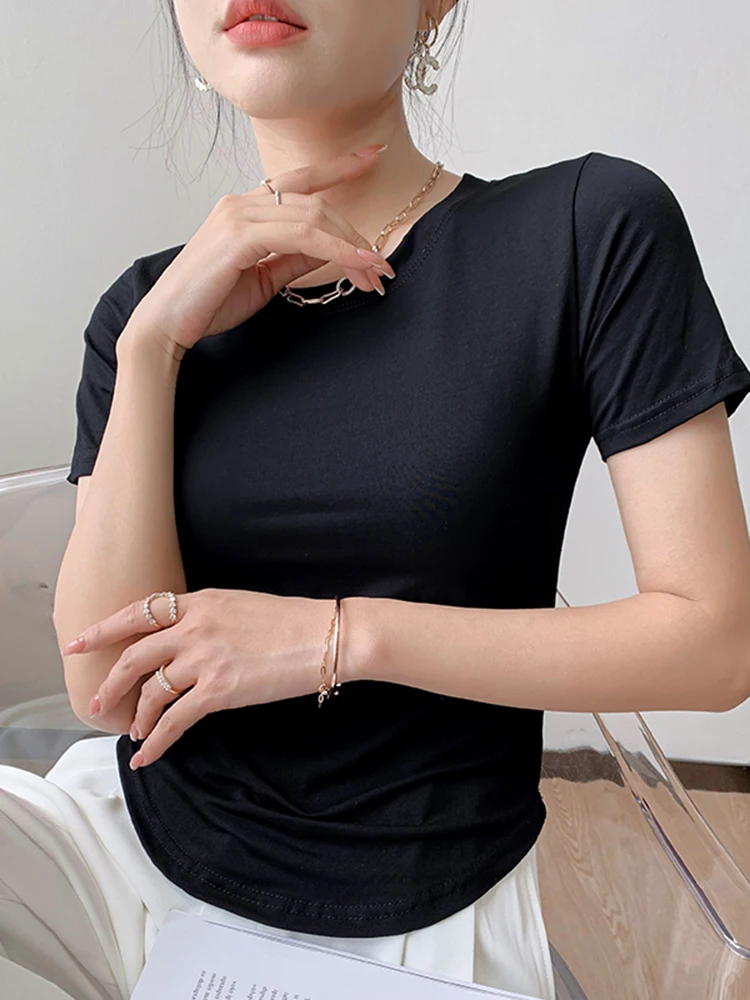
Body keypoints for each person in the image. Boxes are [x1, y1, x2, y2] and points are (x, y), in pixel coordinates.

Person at [3, 1, 750, 999]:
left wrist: (337, 636)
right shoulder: (147, 309)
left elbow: (714, 645)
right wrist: (151, 349)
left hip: (420, 909)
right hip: (126, 849)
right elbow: (107, 687)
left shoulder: (589, 227)